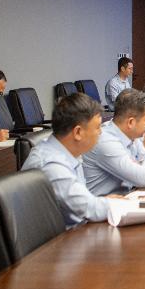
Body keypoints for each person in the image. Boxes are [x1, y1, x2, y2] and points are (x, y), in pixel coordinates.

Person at [22, 93, 120, 228]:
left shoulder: (70, 153)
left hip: (76, 231)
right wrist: (132, 203)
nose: (100, 132)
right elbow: (90, 209)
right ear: (78, 132)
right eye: (97, 127)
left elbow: (85, 203)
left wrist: (104, 202)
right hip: (61, 238)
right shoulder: (52, 164)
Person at [82, 89, 145, 196]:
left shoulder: (132, 136)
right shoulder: (106, 141)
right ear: (131, 122)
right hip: (104, 203)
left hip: (126, 197)